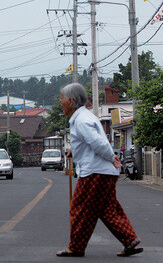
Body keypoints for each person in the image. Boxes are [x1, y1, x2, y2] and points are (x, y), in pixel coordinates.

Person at [56, 83, 142, 258]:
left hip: (95, 172)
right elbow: (88, 142)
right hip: (103, 172)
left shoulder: (81, 120)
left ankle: (76, 247)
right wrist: (75, 150)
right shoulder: (85, 117)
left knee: (79, 209)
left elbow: (97, 142)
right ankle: (130, 240)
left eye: (62, 99)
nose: (61, 102)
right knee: (107, 209)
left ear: (71, 101)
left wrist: (112, 157)